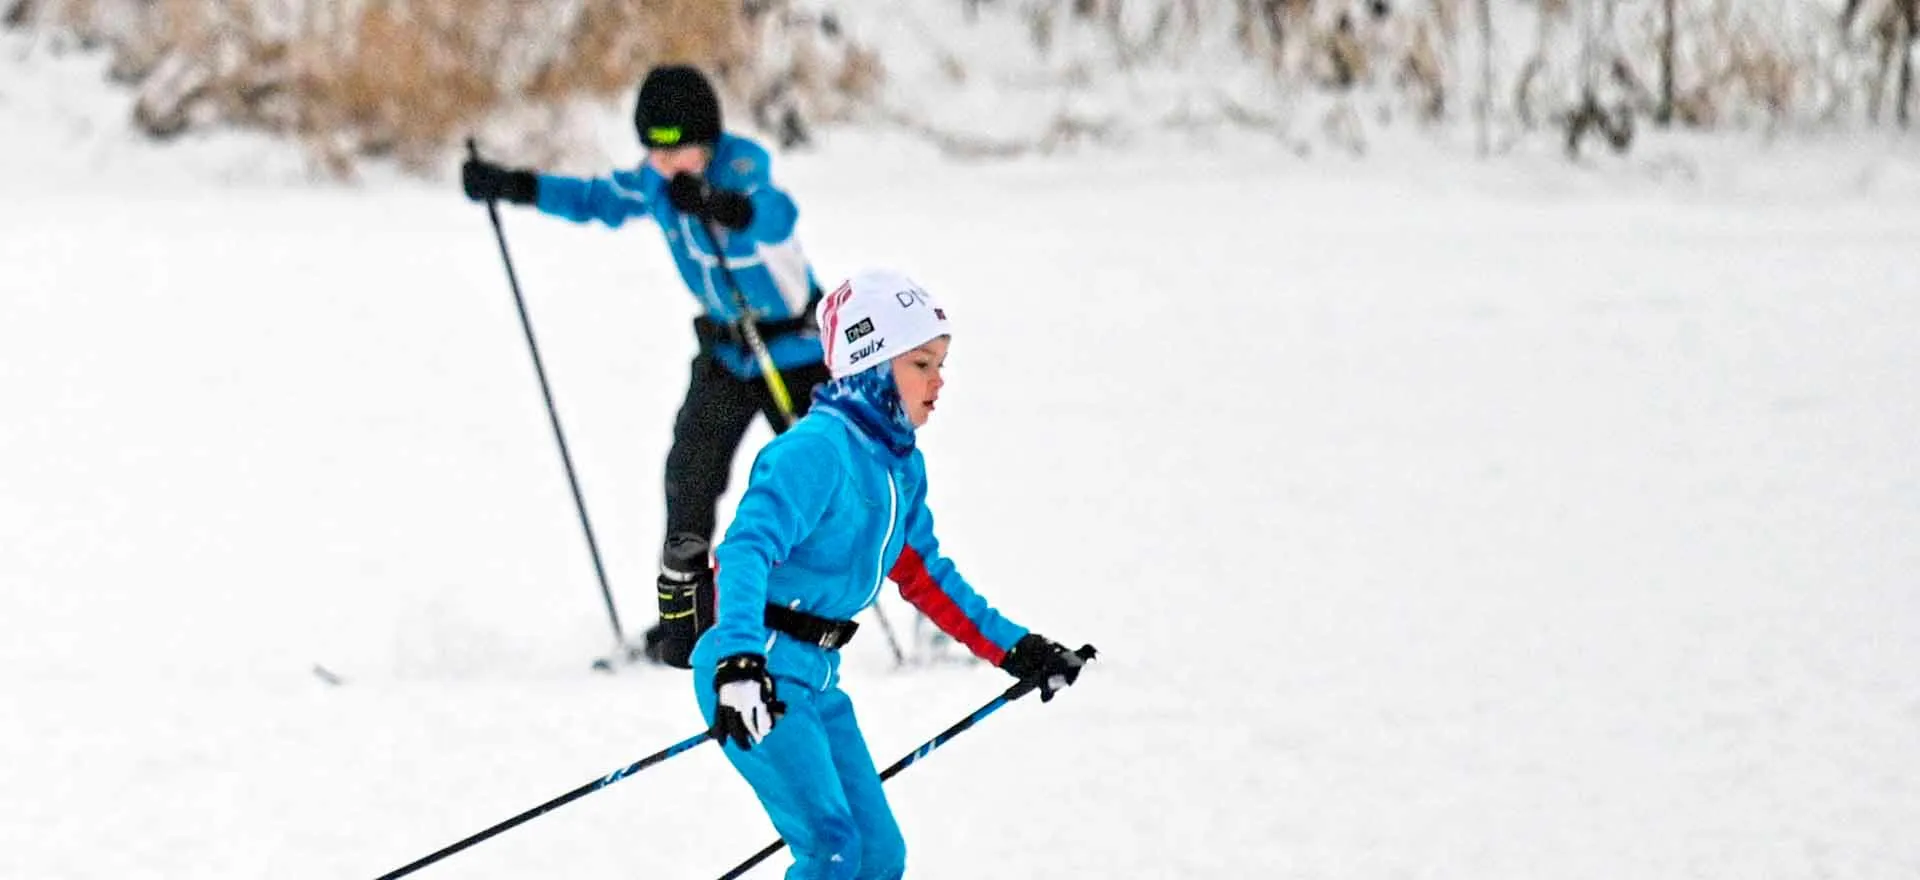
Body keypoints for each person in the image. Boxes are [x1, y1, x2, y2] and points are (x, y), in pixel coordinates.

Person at [689, 268, 1093, 878]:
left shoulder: (898, 465)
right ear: (871, 366)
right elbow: (746, 551)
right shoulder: (814, 451)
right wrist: (738, 664)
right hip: (757, 671)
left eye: (941, 364)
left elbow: (927, 577)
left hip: (814, 677)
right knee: (831, 849)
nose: (939, 381)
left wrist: (1020, 650)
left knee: (878, 856)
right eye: (921, 365)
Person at [460, 65, 829, 666]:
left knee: (832, 484)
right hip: (727, 356)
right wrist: (513, 186)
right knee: (689, 478)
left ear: (706, 143)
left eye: (677, 151)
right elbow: (596, 200)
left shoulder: (742, 168)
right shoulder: (658, 184)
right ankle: (684, 626)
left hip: (795, 354)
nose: (664, 165)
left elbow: (774, 216)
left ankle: (903, 606)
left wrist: (718, 205)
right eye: (654, 153)